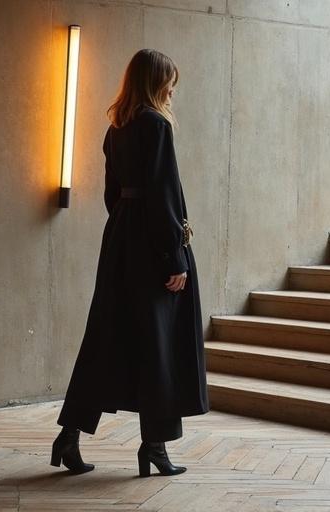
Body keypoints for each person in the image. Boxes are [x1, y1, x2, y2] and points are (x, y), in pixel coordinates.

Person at [50, 48, 209, 478]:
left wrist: (126, 228)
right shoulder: (156, 126)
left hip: (121, 240)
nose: (173, 90)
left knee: (105, 339)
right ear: (156, 81)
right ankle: (154, 449)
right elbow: (163, 193)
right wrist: (175, 256)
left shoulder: (117, 126)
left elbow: (112, 194)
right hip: (152, 247)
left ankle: (68, 437)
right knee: (158, 345)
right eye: (170, 81)